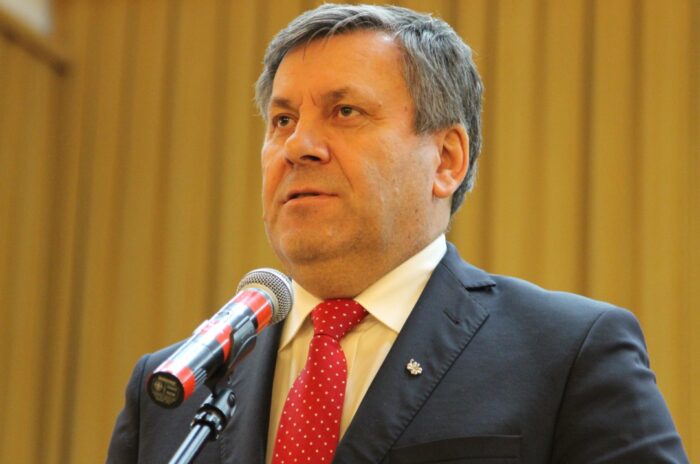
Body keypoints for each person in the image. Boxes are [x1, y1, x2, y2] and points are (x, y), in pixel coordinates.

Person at [107, 4, 688, 463]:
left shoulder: (566, 353)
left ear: (446, 160)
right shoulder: (174, 385)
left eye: (345, 112)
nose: (298, 146)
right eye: (283, 120)